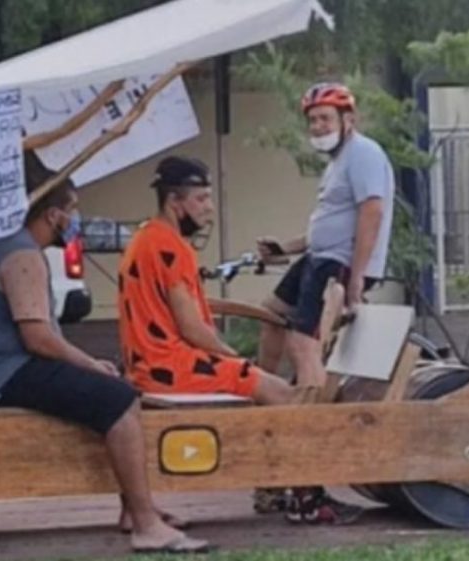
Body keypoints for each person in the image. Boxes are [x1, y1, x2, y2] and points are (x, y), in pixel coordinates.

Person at [0, 183, 210, 554]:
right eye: (72, 209)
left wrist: (92, 368)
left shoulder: (17, 248)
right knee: (120, 398)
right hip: (1, 375)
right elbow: (38, 339)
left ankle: (135, 509)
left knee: (121, 391)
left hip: (5, 369)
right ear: (53, 215)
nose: (76, 219)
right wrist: (89, 363)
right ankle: (146, 526)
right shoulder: (21, 255)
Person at [117, 155, 363, 525]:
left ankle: (274, 489)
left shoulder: (143, 238)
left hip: (147, 363)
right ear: (174, 201)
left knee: (264, 384)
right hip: (168, 366)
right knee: (283, 393)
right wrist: (233, 358)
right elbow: (191, 327)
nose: (209, 209)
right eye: (201, 199)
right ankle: (307, 499)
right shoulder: (171, 247)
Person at [254, 82, 395, 390]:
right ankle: (266, 391)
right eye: (313, 120)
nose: (317, 126)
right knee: (271, 313)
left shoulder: (363, 153)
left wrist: (356, 277)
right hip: (319, 258)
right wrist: (284, 248)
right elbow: (329, 224)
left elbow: (372, 212)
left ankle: (309, 419)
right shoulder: (337, 161)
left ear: (348, 120)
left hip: (339, 264)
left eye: (325, 118)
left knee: (304, 342)